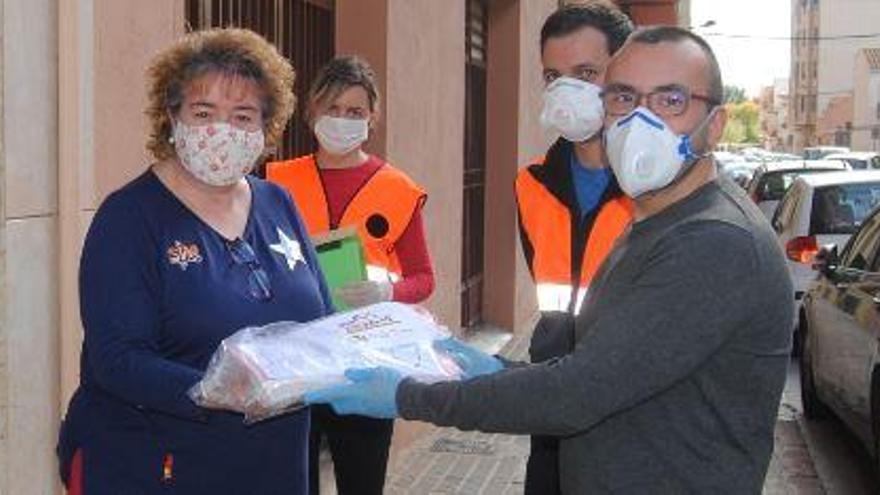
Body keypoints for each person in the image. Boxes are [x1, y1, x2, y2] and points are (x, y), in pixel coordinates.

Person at [306, 26, 794, 493]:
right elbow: (605, 369)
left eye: (670, 101)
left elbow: (579, 392)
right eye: (623, 97)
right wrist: (496, 371)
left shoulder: (715, 241)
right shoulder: (654, 221)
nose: (640, 121)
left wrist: (405, 396)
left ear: (717, 124)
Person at [55, 28, 332, 495]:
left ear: (267, 128)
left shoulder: (278, 203)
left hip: (276, 465)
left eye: (243, 115)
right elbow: (118, 360)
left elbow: (320, 320)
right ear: (171, 117)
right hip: (161, 468)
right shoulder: (130, 217)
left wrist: (377, 345)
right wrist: (222, 388)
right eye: (204, 112)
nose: (221, 131)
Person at [266, 55, 435, 495]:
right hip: (297, 359)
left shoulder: (398, 189)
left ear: (372, 118)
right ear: (311, 113)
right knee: (291, 483)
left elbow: (423, 278)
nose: (342, 120)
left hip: (367, 364)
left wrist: (386, 290)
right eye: (332, 109)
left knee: (362, 483)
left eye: (355, 111)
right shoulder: (274, 182)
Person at [514, 3, 633, 493]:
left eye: (586, 73)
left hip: (629, 412)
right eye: (553, 75)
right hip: (553, 409)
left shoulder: (656, 188)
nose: (567, 90)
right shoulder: (531, 184)